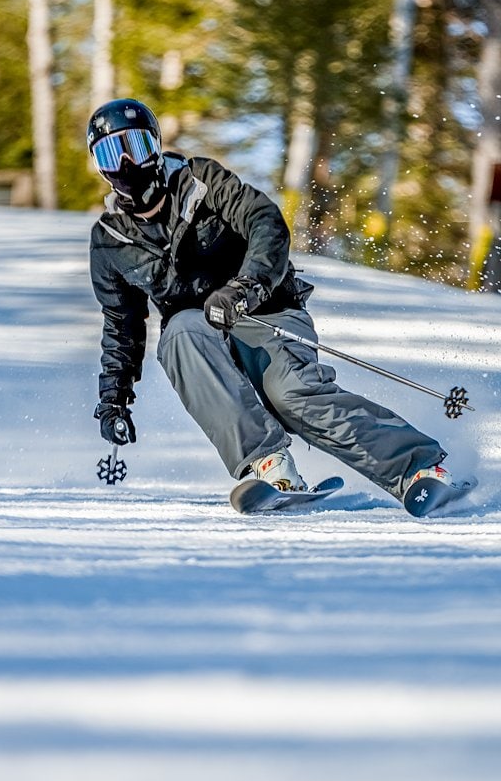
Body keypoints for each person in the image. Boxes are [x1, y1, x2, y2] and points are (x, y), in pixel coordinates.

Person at [86, 98, 467, 503]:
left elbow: (265, 222)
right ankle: (270, 467)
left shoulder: (201, 182)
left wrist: (247, 286)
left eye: (137, 146)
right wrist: (113, 398)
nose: (127, 162)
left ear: (157, 147)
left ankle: (420, 467)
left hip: (266, 313)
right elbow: (121, 325)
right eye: (111, 153)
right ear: (101, 167)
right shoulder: (111, 241)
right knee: (179, 331)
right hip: (202, 342)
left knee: (290, 395)